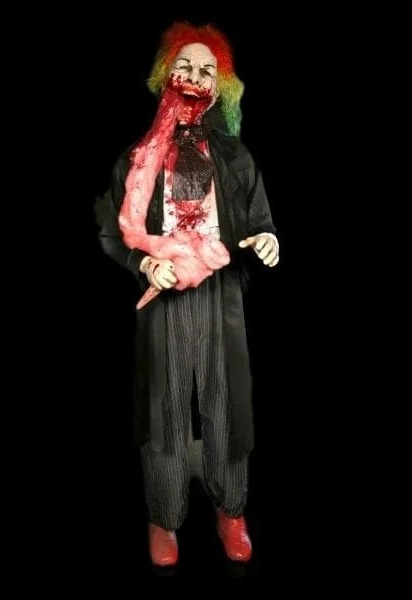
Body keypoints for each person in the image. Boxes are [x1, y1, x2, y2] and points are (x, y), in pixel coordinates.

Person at [94, 21, 279, 567]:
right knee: (165, 408)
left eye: (206, 70)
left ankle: (231, 510)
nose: (194, 76)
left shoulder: (235, 157)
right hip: (164, 296)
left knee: (226, 406)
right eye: (185, 66)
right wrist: (144, 262)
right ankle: (164, 516)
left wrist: (266, 237)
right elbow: (112, 232)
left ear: (220, 87)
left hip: (221, 294)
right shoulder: (136, 158)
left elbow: (259, 217)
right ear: (164, 76)